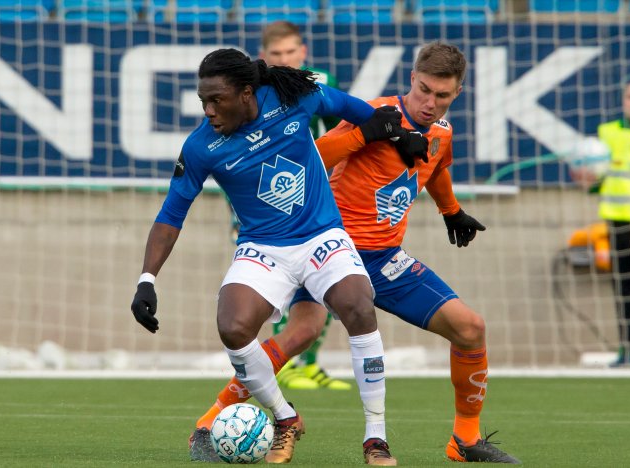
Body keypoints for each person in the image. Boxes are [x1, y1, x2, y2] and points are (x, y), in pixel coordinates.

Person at [189, 42, 520, 465]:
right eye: (423, 90)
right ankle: (211, 418)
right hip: (327, 249)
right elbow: (313, 153)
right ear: (412, 79)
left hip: (384, 258)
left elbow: (436, 166)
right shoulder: (375, 113)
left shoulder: (443, 131)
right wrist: (372, 132)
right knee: (299, 335)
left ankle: (465, 440)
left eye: (441, 96)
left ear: (457, 94)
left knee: (471, 329)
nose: (429, 103)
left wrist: (451, 211)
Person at [131, 48, 423, 464]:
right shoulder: (201, 146)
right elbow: (171, 214)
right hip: (263, 247)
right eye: (203, 102)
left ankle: (375, 437)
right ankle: (285, 418)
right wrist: (147, 279)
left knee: (359, 306)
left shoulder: (293, 97)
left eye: (217, 101)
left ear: (247, 92)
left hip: (322, 235)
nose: (209, 111)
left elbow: (352, 107)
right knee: (233, 327)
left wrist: (396, 135)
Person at [254, 20, 352, 391]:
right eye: (276, 54)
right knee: (284, 281)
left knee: (325, 277)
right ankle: (287, 361)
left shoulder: (318, 83)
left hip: (314, 198)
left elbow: (344, 127)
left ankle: (308, 362)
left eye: (290, 52)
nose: (284, 60)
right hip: (269, 196)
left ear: (303, 52)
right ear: (265, 57)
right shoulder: (256, 89)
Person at [594, 79, 630, 367]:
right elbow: (594, 176)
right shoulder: (606, 134)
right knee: (624, 289)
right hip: (619, 222)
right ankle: (627, 348)